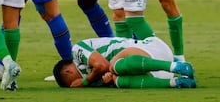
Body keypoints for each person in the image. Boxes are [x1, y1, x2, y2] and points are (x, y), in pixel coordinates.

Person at [53, 36, 196, 89]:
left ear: (68, 72)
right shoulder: (94, 81)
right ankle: (176, 82)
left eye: (71, 83)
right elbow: (107, 73)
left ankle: (175, 66)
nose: (75, 85)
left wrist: (84, 82)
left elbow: (102, 65)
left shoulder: (76, 50)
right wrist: (109, 81)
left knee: (114, 66)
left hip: (152, 50)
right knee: (118, 80)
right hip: (154, 74)